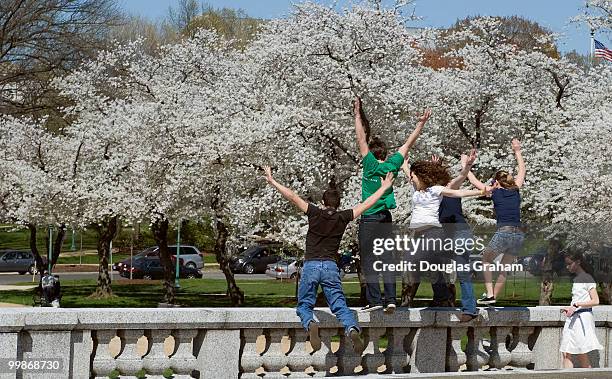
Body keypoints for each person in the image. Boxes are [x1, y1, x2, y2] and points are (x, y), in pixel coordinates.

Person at [264, 166, 395, 354]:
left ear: (323, 202)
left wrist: (273, 181)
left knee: (304, 304)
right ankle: (351, 328)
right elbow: (367, 204)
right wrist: (383, 188)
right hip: (330, 267)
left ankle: (310, 324)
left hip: (311, 265)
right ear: (338, 203)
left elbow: (292, 196)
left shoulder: (315, 213)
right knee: (339, 304)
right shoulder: (343, 217)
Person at [354, 96, 431, 313]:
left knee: (369, 259)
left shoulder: (369, 165)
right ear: (385, 153)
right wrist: (420, 124)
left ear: (371, 152)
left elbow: (360, 139)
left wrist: (358, 115)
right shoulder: (392, 165)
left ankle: (375, 300)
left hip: (369, 216)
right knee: (387, 258)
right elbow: (408, 144)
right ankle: (390, 299)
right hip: (386, 217)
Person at [401, 153, 490, 308]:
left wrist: (480, 190)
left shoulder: (440, 189)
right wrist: (403, 164)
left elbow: (459, 188)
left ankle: (461, 303)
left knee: (417, 259)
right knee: (429, 266)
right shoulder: (418, 189)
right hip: (424, 235)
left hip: (438, 233)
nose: (411, 178)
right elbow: (414, 174)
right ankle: (443, 295)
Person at [467, 139, 526, 305]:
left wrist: (466, 166)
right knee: (503, 268)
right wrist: (517, 150)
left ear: (497, 182)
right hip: (519, 234)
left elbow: (473, 182)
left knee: (485, 260)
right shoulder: (515, 189)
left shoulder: (494, 193)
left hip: (504, 232)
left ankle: (490, 294)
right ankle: (493, 297)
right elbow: (522, 170)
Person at [434, 151, 480, 321]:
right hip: (447, 236)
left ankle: (469, 309)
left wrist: (467, 166)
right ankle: (442, 297)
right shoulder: (434, 192)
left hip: (460, 233)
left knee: (462, 272)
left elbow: (460, 177)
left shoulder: (451, 188)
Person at [560, 251, 603, 368]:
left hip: (582, 320)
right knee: (567, 352)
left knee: (580, 352)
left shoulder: (587, 278)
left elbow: (596, 301)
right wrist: (571, 307)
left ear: (578, 262)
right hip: (574, 319)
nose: (567, 266)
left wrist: (576, 305)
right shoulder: (577, 279)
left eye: (569, 263)